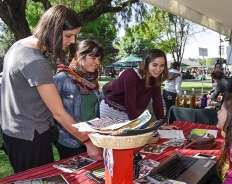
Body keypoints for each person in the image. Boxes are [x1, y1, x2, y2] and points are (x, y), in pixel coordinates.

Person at [1, 5, 101, 173]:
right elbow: (59, 113)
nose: (72, 42)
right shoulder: (36, 60)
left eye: (75, 36)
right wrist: (88, 142)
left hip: (14, 133)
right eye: (68, 35)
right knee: (40, 181)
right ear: (53, 30)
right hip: (31, 138)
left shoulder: (18, 46)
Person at [100, 49, 175, 129]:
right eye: (154, 65)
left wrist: (162, 123)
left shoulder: (155, 78)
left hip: (131, 112)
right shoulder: (131, 76)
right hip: (112, 111)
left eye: (162, 65)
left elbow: (157, 102)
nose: (158, 69)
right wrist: (138, 126)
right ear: (146, 63)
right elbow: (130, 103)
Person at [53, 39, 103, 159]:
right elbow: (54, 112)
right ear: (80, 56)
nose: (97, 62)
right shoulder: (61, 79)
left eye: (99, 59)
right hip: (70, 142)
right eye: (93, 58)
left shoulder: (93, 81)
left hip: (94, 138)